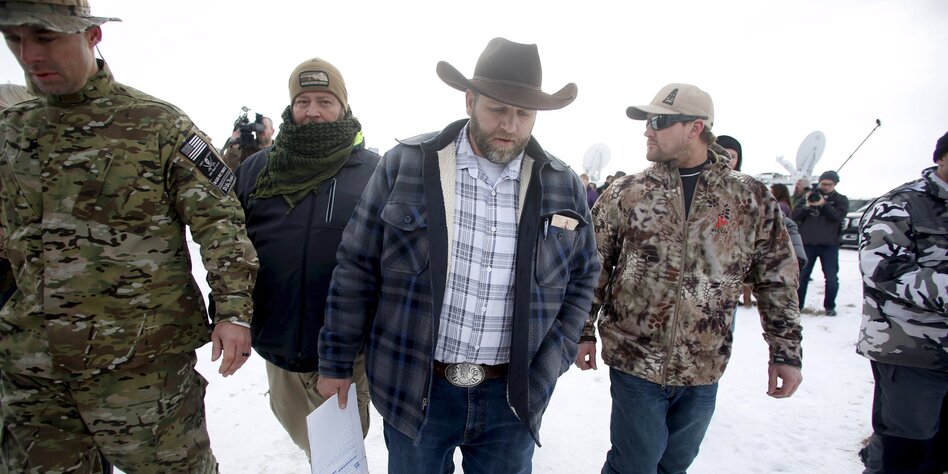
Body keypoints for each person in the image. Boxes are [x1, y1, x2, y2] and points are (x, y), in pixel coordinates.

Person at [316, 37, 600, 473]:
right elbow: (356, 267)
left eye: (524, 114)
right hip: (415, 388)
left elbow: (583, 274)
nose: (510, 125)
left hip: (512, 400)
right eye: (497, 109)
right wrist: (336, 361)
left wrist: (556, 353)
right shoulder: (406, 164)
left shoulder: (562, 184)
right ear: (470, 101)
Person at [0, 2, 259, 472]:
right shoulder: (11, 132)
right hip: (35, 374)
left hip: (140, 368)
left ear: (92, 35)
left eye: (46, 36)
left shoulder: (158, 125)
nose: (29, 54)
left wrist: (233, 312)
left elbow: (221, 223)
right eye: (15, 39)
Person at [576, 83, 803, 474]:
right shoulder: (628, 192)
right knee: (634, 464)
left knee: (675, 465)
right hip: (635, 359)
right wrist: (583, 331)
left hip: (703, 364)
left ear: (695, 128)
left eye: (659, 122)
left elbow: (776, 277)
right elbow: (592, 265)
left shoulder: (748, 197)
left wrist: (785, 353)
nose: (647, 130)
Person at [233, 57, 379, 461]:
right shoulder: (258, 170)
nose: (312, 111)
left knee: (339, 458)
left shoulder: (375, 173)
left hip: (346, 353)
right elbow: (231, 247)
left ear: (343, 107)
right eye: (303, 101)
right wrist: (232, 315)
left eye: (325, 101)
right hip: (278, 348)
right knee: (308, 442)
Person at [856, 130, 947, 474]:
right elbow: (881, 269)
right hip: (912, 350)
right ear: (941, 157)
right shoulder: (901, 204)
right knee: (904, 453)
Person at [791, 169, 849, 315]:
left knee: (831, 278)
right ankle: (797, 306)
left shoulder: (841, 199)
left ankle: (830, 307)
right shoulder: (808, 197)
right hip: (807, 244)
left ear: (835, 184)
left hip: (829, 245)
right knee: (802, 276)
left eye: (829, 184)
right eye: (823, 184)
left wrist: (824, 204)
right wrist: (807, 206)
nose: (825, 187)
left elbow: (837, 217)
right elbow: (794, 216)